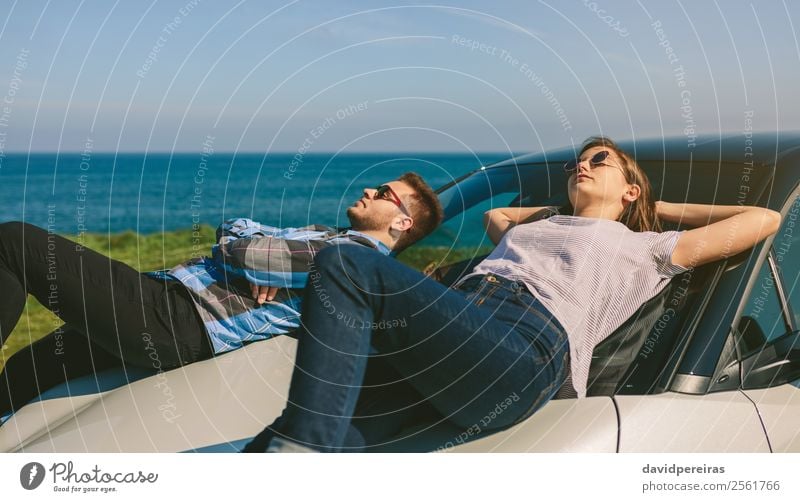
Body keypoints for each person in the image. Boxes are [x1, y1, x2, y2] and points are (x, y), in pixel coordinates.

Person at [244, 136, 783, 452]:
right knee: (268, 445)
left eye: (599, 161)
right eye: (579, 161)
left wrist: (651, 209)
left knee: (344, 260)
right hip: (459, 333)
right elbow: (495, 214)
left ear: (631, 188)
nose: (582, 166)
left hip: (524, 347)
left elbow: (763, 218)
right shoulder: (537, 229)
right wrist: (562, 212)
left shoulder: (650, 248)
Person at [0, 172, 444, 418]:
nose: (369, 189)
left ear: (402, 223)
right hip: (167, 307)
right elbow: (236, 231)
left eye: (385, 194)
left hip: (173, 318)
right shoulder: (330, 238)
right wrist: (248, 256)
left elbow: (240, 246)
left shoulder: (347, 256)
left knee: (14, 242)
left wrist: (249, 254)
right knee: (27, 368)